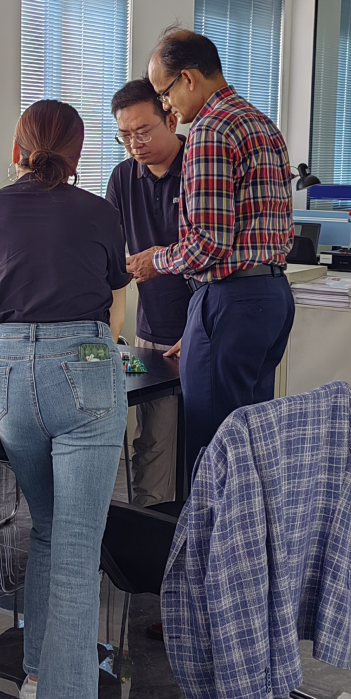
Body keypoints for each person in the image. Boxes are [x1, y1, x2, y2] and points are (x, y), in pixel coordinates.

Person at [0, 100, 130, 699]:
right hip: (83, 365)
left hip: (5, 374)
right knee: (77, 548)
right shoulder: (100, 212)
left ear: (16, 148)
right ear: (77, 154)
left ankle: (35, 681)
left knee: (48, 530)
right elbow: (113, 299)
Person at [128, 28, 294, 473]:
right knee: (251, 441)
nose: (167, 106)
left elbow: (207, 244)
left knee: (213, 445)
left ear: (188, 78)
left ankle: (211, 523)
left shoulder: (209, 131)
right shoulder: (262, 123)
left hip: (229, 299)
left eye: (165, 93)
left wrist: (156, 259)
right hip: (273, 297)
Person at [105, 78, 192, 506]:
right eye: (124, 135)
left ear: (170, 119)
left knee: (207, 443)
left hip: (206, 327)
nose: (133, 144)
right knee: (154, 441)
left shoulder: (201, 167)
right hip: (152, 333)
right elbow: (108, 259)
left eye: (142, 132)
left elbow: (214, 254)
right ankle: (153, 533)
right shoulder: (123, 177)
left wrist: (199, 330)